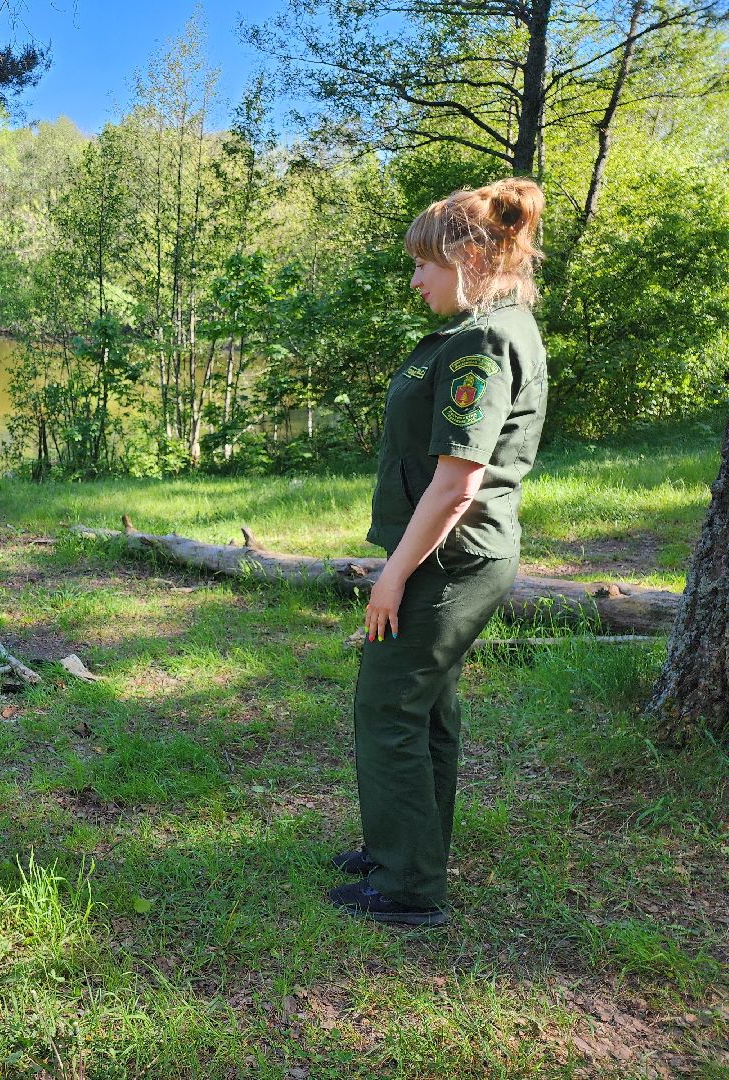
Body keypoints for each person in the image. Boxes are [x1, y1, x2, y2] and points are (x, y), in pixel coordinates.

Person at [328, 179, 549, 927]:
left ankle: (407, 888)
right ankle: (405, 849)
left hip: (449, 558)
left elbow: (457, 484)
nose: (417, 279)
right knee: (425, 707)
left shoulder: (483, 341)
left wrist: (391, 577)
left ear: (472, 258)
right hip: (452, 553)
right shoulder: (488, 329)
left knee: (388, 702)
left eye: (425, 263)